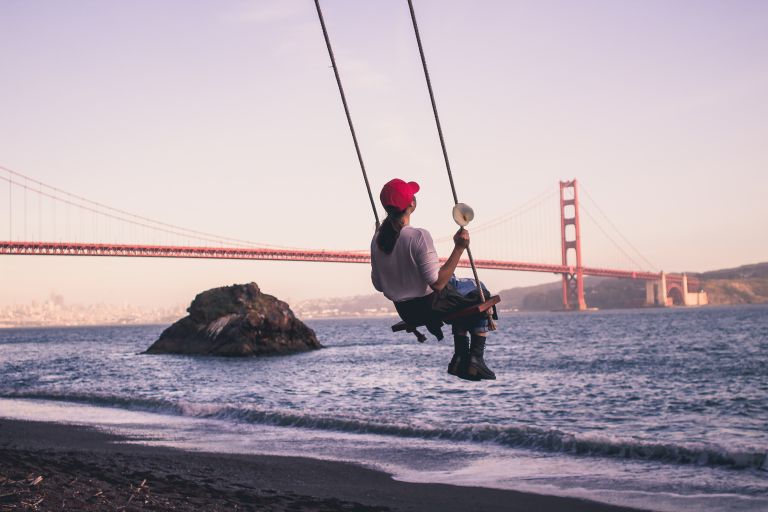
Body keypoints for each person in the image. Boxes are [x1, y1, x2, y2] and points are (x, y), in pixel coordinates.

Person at [370, 178, 496, 381]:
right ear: (412, 204)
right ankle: (475, 359)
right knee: (479, 291)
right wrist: (459, 248)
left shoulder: (377, 240)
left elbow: (378, 285)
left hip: (408, 311)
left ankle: (460, 357)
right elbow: (437, 284)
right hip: (433, 305)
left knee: (460, 292)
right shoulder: (418, 236)